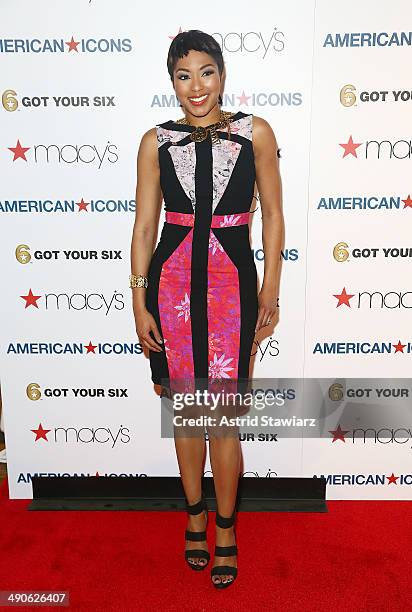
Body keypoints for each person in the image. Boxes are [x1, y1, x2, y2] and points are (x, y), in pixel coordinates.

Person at [130, 29, 283, 588]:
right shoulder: (155, 141)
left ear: (223, 74)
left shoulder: (255, 133)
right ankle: (193, 512)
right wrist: (137, 298)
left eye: (206, 72)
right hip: (169, 288)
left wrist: (270, 288)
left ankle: (224, 526)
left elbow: (273, 217)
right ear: (172, 81)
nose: (196, 86)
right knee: (185, 413)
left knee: (221, 417)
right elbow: (145, 227)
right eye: (183, 75)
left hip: (231, 289)